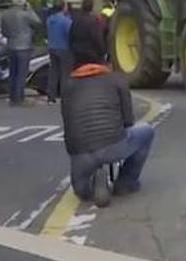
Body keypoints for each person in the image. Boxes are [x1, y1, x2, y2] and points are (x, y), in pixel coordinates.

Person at [61, 53, 154, 207]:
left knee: (83, 193)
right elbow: (128, 121)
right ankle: (126, 182)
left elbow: (68, 124)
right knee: (147, 132)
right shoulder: (117, 80)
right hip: (113, 146)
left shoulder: (68, 85)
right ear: (106, 63)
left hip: (81, 154)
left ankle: (91, 182)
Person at [0, 0, 40, 104]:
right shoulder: (26, 14)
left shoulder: (6, 14)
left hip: (11, 45)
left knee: (13, 72)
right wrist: (30, 9)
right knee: (22, 73)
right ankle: (18, 98)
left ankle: (12, 96)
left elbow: (4, 31)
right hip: (24, 46)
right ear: (23, 2)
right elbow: (37, 22)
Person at [45, 0, 73, 103]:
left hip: (52, 47)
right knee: (65, 73)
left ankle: (51, 95)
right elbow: (69, 34)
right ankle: (65, 95)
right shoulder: (66, 21)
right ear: (63, 7)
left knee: (53, 72)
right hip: (64, 48)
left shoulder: (49, 19)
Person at [69, 0, 106, 66]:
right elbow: (97, 38)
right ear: (92, 8)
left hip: (77, 52)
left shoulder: (76, 20)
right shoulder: (94, 21)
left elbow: (71, 35)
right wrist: (102, 51)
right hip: (90, 53)